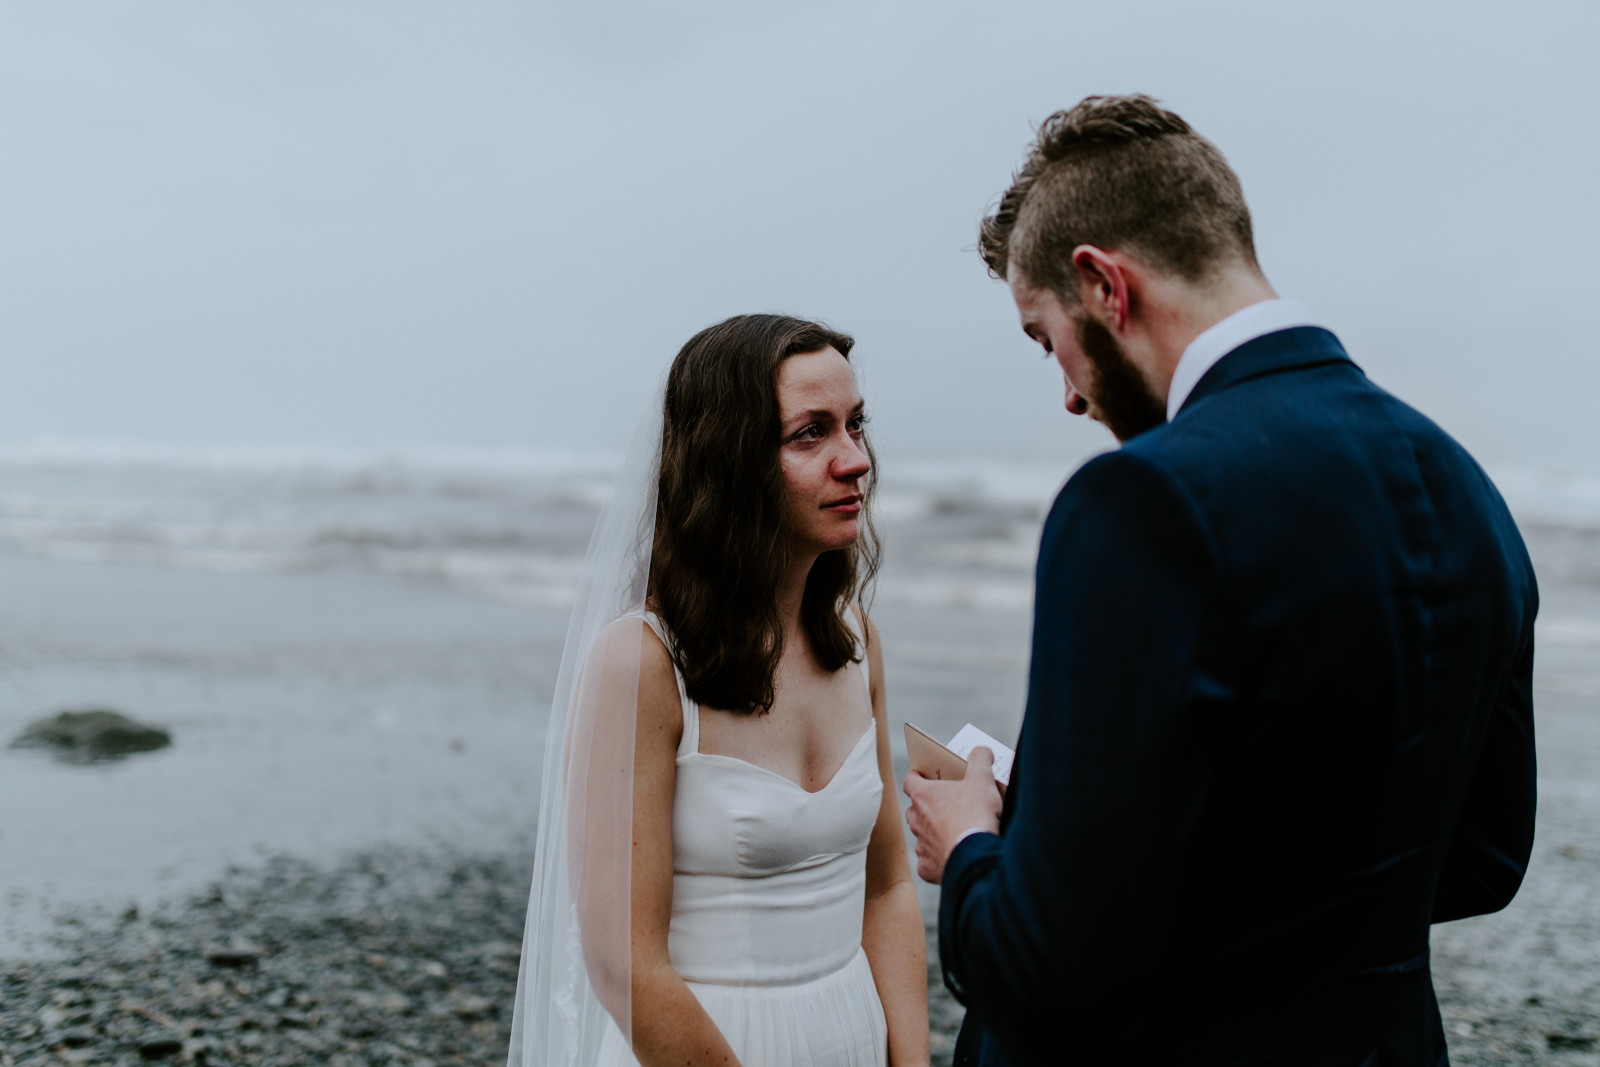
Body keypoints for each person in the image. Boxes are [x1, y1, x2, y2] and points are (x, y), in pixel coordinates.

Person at [902, 95, 1538, 1065]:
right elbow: (1483, 857)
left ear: (1103, 285)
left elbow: (1047, 973)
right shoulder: (1461, 484)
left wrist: (975, 846)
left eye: (1046, 340)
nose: (1068, 393)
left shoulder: (1143, 502)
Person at [509, 314, 930, 1067]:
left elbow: (887, 885)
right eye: (811, 433)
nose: (855, 460)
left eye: (855, 426)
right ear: (731, 462)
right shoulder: (639, 664)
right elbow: (624, 966)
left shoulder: (857, 641)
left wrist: (910, 1061)